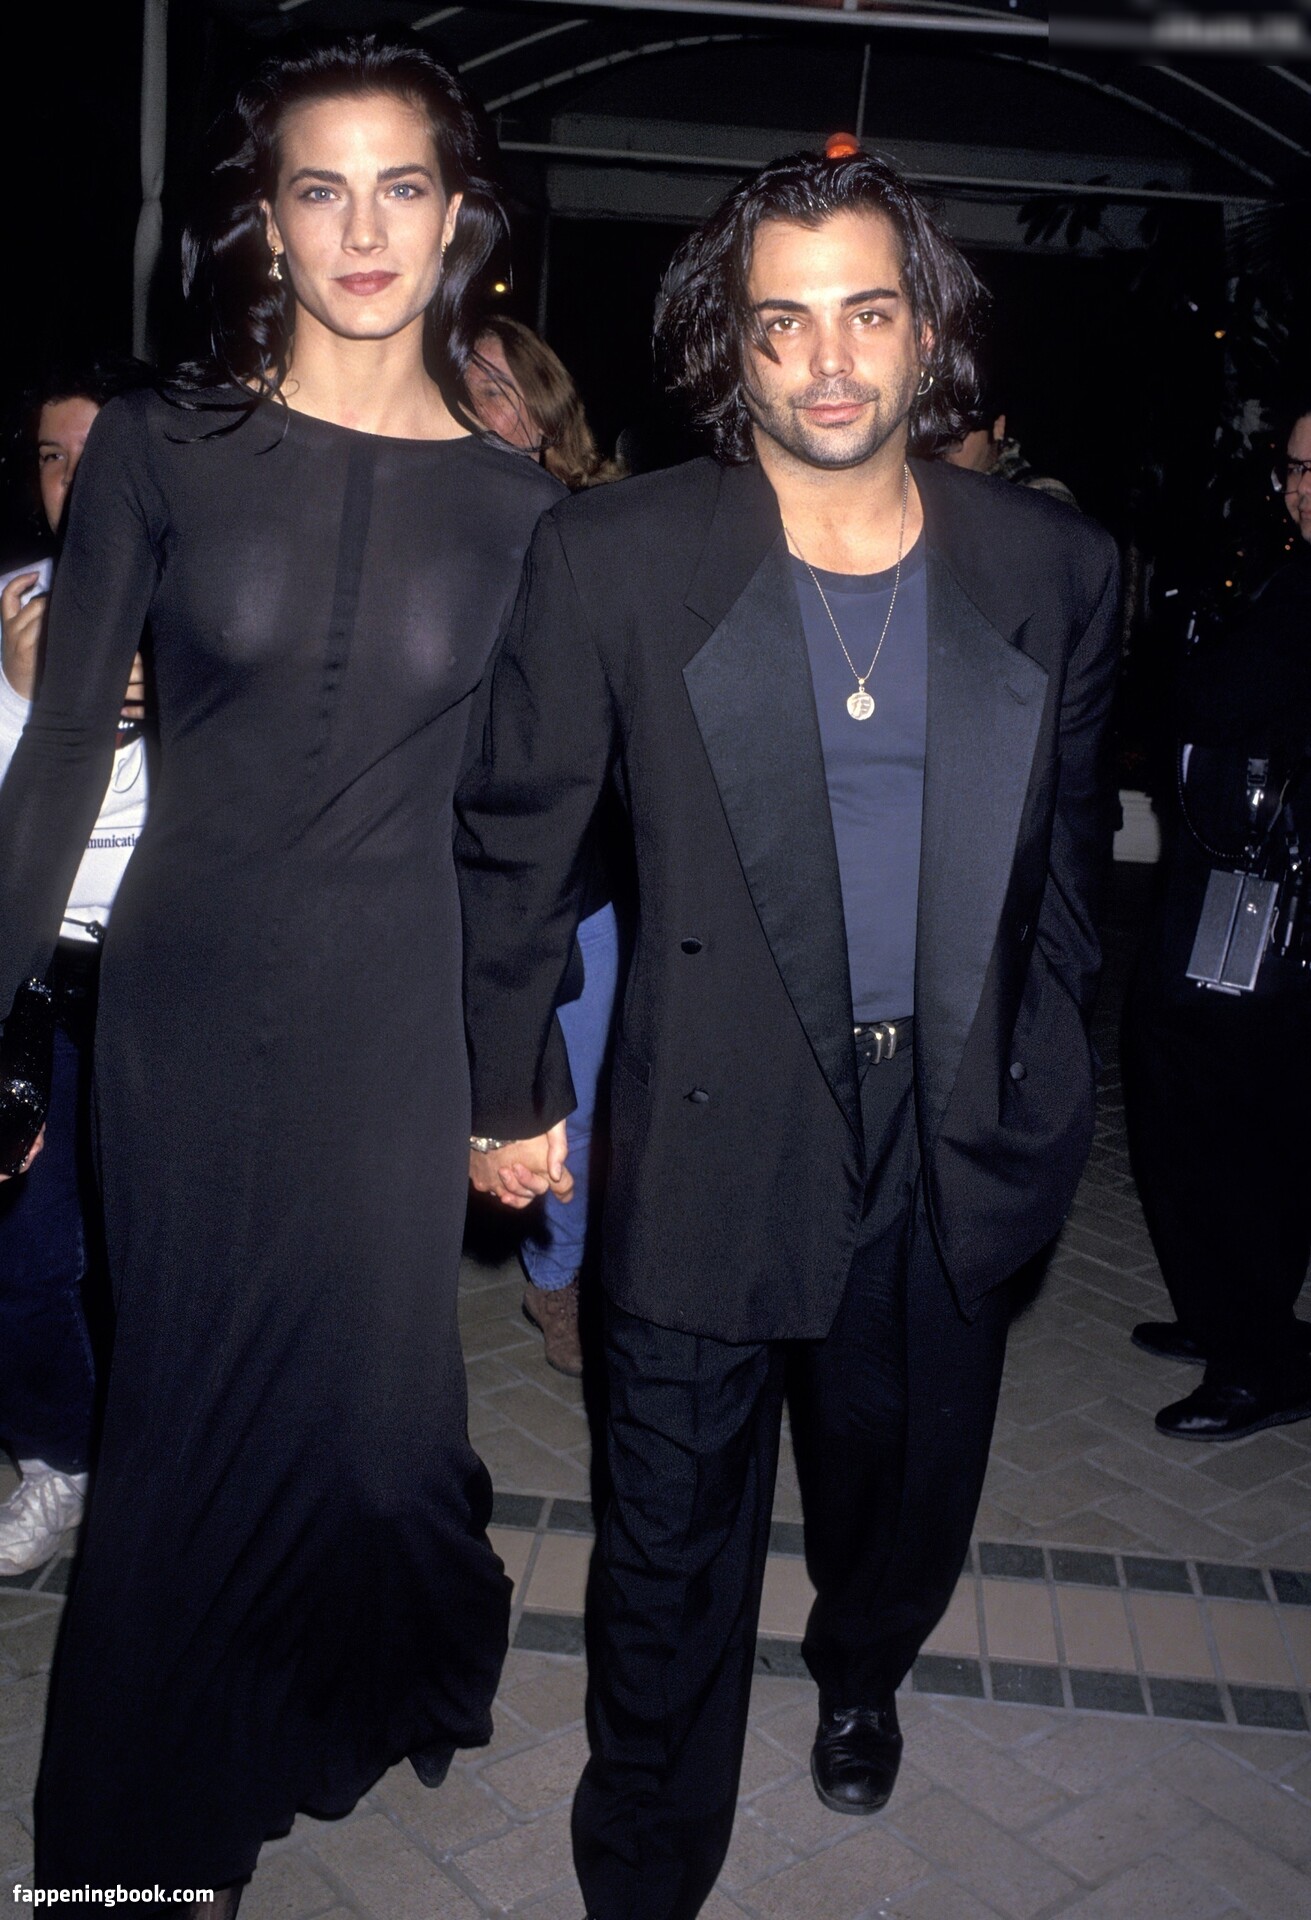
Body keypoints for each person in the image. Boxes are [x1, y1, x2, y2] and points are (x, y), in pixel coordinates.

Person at [456, 148, 1119, 1920]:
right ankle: (644, 1867)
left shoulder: (1053, 566)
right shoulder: (614, 556)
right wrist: (506, 1088)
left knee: (902, 1497)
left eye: (866, 313)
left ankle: (860, 1668)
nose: (828, 361)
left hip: (946, 1125)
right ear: (725, 346)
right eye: (782, 323)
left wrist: (1047, 1079)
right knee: (666, 1544)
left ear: (926, 334)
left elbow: (1063, 869)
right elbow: (515, 840)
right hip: (709, 1114)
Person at [0, 33, 560, 1908]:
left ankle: (393, 1647)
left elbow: (520, 833)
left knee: (378, 1434)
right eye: (323, 189)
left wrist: (518, 1084)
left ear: (458, 216)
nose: (365, 229)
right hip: (184, 1001)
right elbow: (61, 756)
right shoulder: (160, 448)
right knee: (185, 1422)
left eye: (403, 187)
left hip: (395, 1021)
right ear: (269, 217)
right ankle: (150, 1840)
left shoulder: (521, 510)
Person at [1123, 400, 1311, 1440]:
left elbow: (1213, 698)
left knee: (1234, 1125)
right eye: (1295, 468)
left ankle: (1256, 1361)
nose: (1302, 489)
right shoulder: (1287, 575)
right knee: (1209, 1112)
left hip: (1276, 914)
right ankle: (1232, 1318)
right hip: (1240, 889)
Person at [0, 358, 151, 1576]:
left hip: (173, 977)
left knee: (167, 1258)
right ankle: (58, 1458)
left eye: (98, 456)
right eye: (54, 459)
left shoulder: (220, 600)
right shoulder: (12, 614)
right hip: (37, 983)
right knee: (25, 1255)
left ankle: (170, 1481)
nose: (74, 482)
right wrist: (22, 701)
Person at [466, 316, 625, 1374]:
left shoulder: (594, 528)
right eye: (465, 383)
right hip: (435, 857)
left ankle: (558, 1276)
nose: (479, 403)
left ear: (543, 408)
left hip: (573, 871)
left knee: (580, 1085)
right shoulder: (429, 516)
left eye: (498, 385)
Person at [469, 314, 624, 489]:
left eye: (492, 393)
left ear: (545, 409)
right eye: (462, 397)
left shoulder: (596, 502)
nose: (470, 409)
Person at [943, 391, 1078, 508]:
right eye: (939, 438)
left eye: (957, 435)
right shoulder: (943, 486)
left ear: (998, 427)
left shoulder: (1043, 495)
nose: (943, 448)